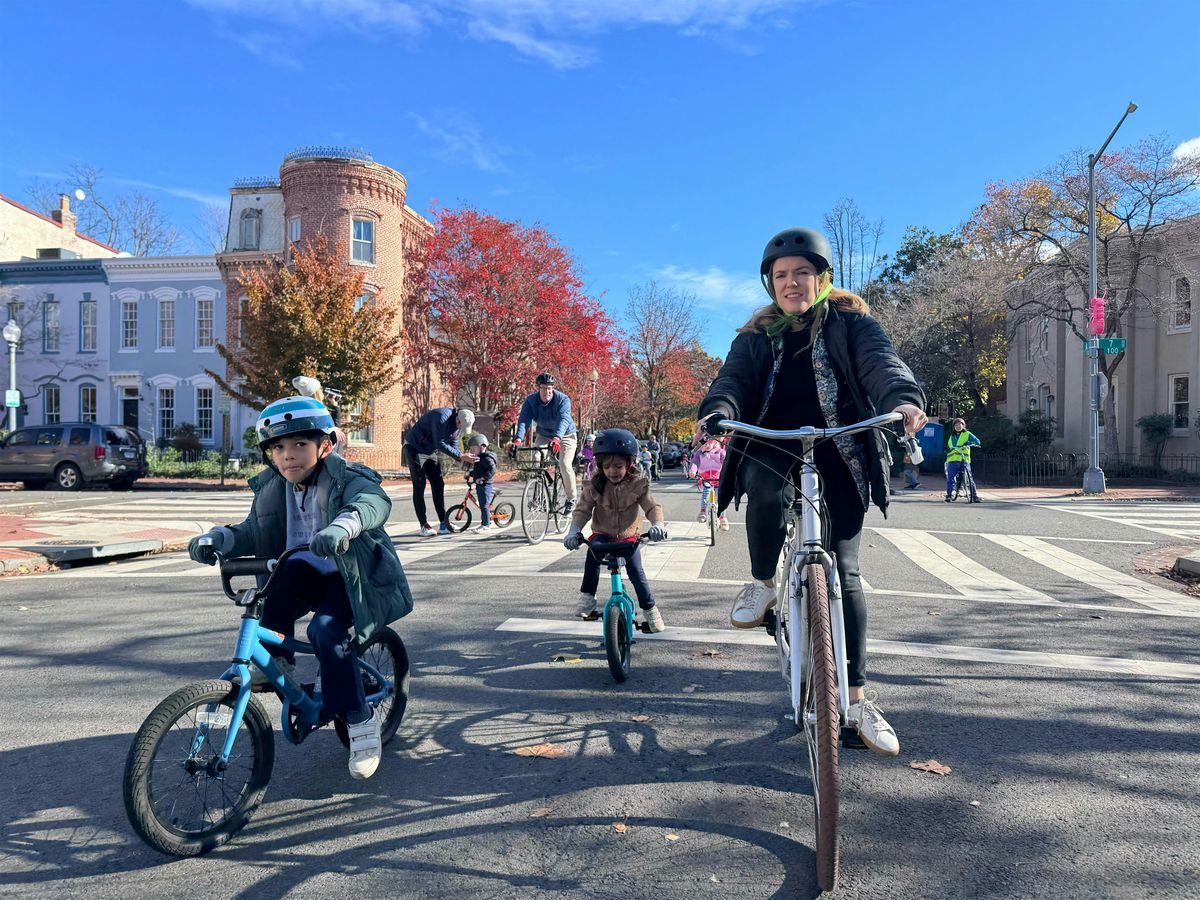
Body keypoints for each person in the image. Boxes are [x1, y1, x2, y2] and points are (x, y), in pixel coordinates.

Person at [696, 226, 927, 757]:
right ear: (769, 283)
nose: (792, 282)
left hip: (840, 445)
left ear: (822, 278)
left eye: (803, 272)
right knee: (761, 483)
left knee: (845, 571)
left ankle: (859, 699)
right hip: (772, 442)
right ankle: (761, 584)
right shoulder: (755, 336)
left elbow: (882, 367)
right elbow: (731, 383)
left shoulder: (851, 324)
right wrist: (719, 412)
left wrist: (904, 400)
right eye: (781, 275)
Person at [187, 395, 412, 780]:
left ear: (325, 445)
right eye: (278, 447)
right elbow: (254, 531)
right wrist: (220, 538)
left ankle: (360, 721)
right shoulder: (273, 488)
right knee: (274, 589)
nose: (288, 455)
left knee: (324, 630)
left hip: (351, 577)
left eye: (299, 445)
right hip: (304, 574)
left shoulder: (346, 477)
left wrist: (344, 525)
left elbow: (374, 502)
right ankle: (278, 664)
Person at [563, 428, 669, 632]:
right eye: (607, 466)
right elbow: (582, 510)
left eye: (619, 466)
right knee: (592, 552)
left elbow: (652, 507)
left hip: (629, 538)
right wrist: (573, 531)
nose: (613, 471)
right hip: (603, 535)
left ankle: (651, 612)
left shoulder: (638, 484)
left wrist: (658, 525)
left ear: (630, 464)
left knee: (637, 573)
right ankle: (587, 598)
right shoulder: (593, 485)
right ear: (600, 466)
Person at [404, 407, 479, 536]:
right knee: (419, 485)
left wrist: (462, 458)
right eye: (460, 426)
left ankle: (444, 523)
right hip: (414, 447)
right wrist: (461, 456)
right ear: (458, 419)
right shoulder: (441, 417)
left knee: (438, 484)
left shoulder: (458, 427)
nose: (460, 429)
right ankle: (424, 525)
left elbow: (453, 445)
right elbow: (440, 443)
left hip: (430, 451)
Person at [513, 373, 579, 512]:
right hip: (544, 434)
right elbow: (524, 421)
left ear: (553, 388)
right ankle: (539, 493)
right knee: (536, 459)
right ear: (538, 388)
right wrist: (518, 440)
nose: (546, 392)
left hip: (566, 435)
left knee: (564, 464)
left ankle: (571, 499)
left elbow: (564, 420)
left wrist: (557, 438)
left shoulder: (562, 400)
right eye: (543, 388)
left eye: (549, 388)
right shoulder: (531, 401)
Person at [689, 438, 729, 530]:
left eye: (708, 443)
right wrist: (693, 471)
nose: (706, 445)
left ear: (715, 442)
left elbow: (725, 463)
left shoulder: (721, 452)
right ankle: (702, 512)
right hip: (705, 477)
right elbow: (695, 463)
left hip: (718, 477)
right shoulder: (700, 453)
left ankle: (723, 518)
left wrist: (727, 471)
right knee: (706, 492)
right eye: (704, 443)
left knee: (721, 496)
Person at [465, 433, 498, 532]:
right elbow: (478, 470)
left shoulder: (487, 458)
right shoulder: (480, 457)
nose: (472, 451)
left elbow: (492, 470)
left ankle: (486, 525)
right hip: (479, 484)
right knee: (483, 504)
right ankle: (484, 522)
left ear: (481, 446)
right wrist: (470, 474)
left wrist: (482, 478)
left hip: (485, 484)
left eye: (473, 449)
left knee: (484, 505)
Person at [945, 417, 982, 503]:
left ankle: (975, 496)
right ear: (954, 427)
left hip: (964, 459)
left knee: (970, 478)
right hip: (953, 460)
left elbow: (978, 442)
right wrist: (948, 448)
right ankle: (949, 495)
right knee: (950, 478)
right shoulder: (952, 436)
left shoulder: (967, 434)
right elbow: (949, 446)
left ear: (963, 425)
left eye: (960, 424)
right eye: (956, 425)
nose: (958, 426)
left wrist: (969, 443)